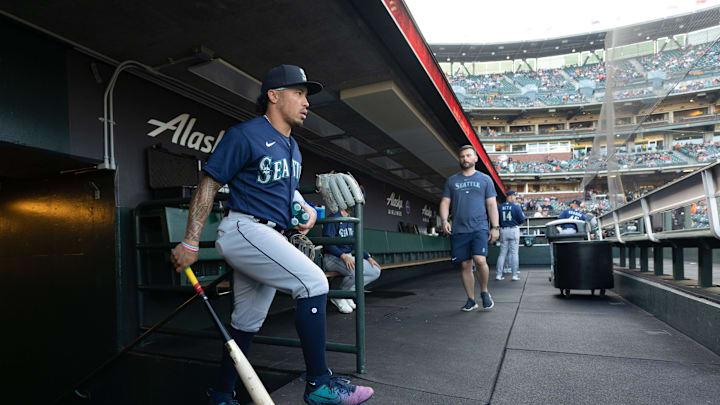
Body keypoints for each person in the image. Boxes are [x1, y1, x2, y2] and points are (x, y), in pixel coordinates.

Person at [170, 65, 373, 405]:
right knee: (313, 282)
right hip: (244, 228)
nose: (306, 101)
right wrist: (190, 242)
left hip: (271, 234)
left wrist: (306, 209)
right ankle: (318, 384)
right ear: (274, 96)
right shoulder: (245, 134)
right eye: (299, 92)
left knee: (246, 322)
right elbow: (209, 184)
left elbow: (287, 192)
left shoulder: (293, 148)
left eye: (306, 95)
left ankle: (221, 394)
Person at [439, 145, 500, 312]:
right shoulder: (452, 181)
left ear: (475, 159)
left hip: (479, 227)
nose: (465, 158)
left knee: (480, 260)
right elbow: (445, 202)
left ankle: (485, 292)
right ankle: (471, 299)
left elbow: (491, 204)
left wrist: (495, 227)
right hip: (459, 229)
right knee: (465, 265)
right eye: (462, 156)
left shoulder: (485, 179)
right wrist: (444, 220)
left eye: (468, 155)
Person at [322, 206, 382, 313]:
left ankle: (348, 293)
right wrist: (343, 256)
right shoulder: (334, 218)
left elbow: (355, 243)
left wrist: (368, 257)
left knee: (375, 271)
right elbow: (327, 244)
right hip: (332, 258)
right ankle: (339, 296)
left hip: (348, 257)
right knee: (355, 270)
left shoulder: (350, 219)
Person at [496, 190, 526, 281]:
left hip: (503, 230)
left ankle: (498, 274)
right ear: (509, 197)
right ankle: (514, 275)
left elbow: (497, 220)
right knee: (514, 254)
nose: (514, 198)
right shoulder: (516, 207)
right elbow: (522, 220)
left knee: (502, 254)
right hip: (513, 230)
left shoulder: (500, 207)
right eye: (513, 196)